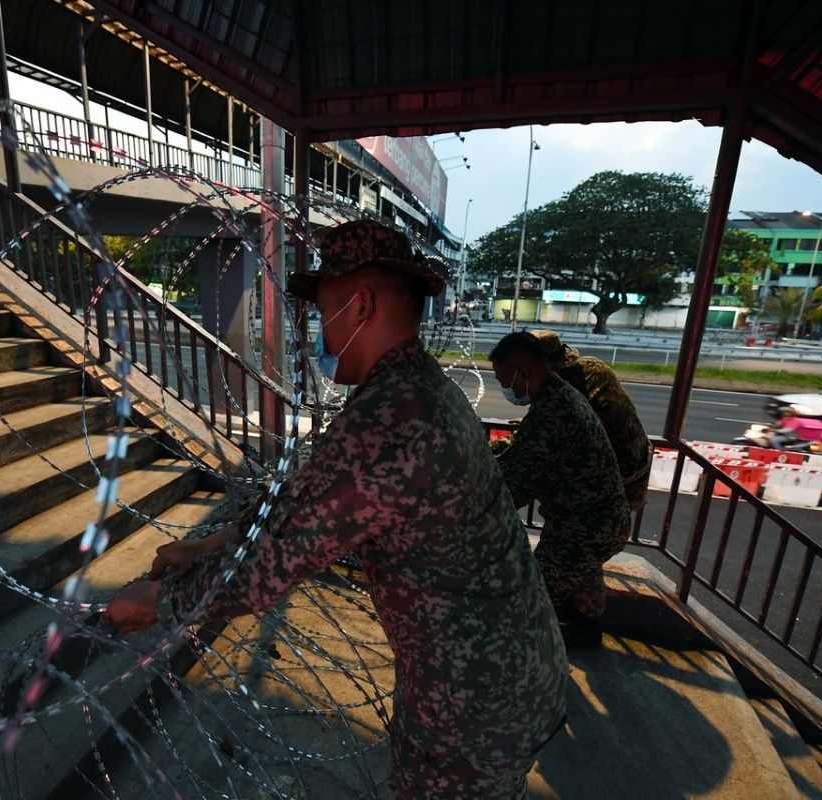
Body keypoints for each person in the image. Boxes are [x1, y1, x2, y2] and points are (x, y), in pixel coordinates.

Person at [106, 220, 567, 800]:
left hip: (471, 708)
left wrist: (162, 600)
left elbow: (268, 568)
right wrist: (206, 545)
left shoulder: (390, 419)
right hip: (501, 675)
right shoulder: (419, 390)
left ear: (361, 306)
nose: (317, 332)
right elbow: (305, 505)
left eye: (323, 312)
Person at [488, 330, 630, 639]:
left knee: (531, 596)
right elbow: (521, 447)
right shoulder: (560, 394)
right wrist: (485, 452)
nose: (506, 390)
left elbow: (515, 483)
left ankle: (533, 652)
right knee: (583, 569)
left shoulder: (553, 413)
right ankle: (585, 625)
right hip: (602, 519)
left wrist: (467, 501)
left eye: (504, 381)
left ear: (523, 373)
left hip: (584, 528)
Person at [529, 330, 653, 511]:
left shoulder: (566, 389)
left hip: (613, 471)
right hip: (637, 459)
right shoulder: (592, 366)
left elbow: (558, 426)